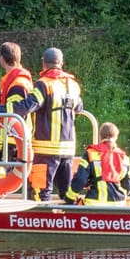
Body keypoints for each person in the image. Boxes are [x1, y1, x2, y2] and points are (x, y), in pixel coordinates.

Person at [29, 47, 85, 199]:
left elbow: (28, 106)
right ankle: (67, 220)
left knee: (40, 193)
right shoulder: (73, 85)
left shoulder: (43, 85)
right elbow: (79, 107)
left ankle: (39, 221)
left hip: (45, 150)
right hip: (68, 150)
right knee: (66, 193)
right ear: (62, 63)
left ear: (43, 64)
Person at [0, 41, 40, 171]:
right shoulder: (16, 79)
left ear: (2, 59)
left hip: (11, 140)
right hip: (4, 138)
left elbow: (15, 110)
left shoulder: (18, 83)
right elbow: (6, 104)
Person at [67, 122, 130, 204]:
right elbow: (128, 185)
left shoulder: (90, 154)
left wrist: (69, 198)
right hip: (118, 205)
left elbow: (80, 180)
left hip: (93, 205)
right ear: (116, 138)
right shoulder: (124, 157)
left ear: (100, 137)